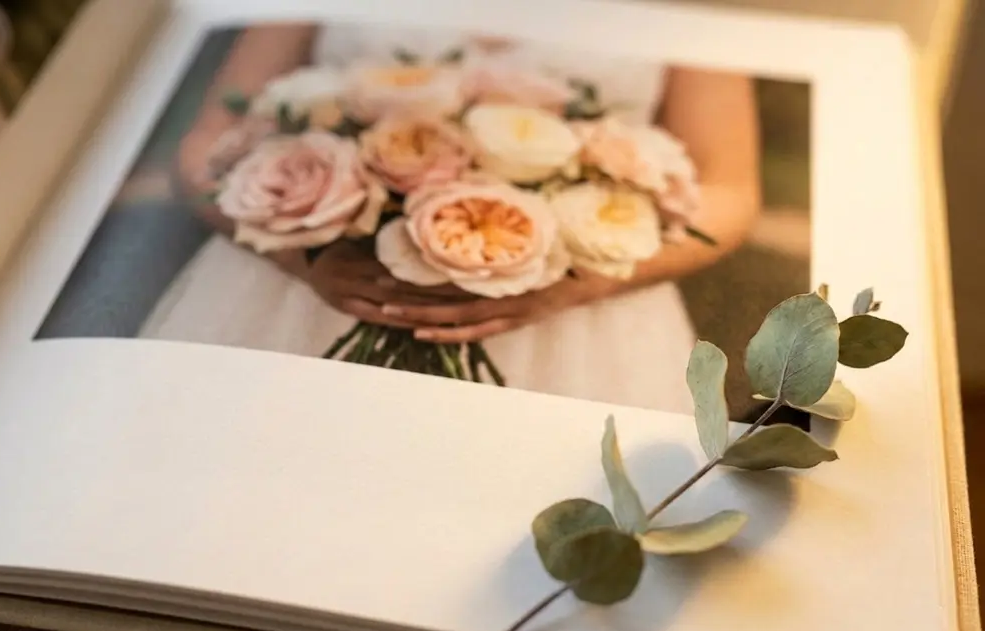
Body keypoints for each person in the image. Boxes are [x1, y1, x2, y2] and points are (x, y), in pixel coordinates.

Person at [139, 23, 761, 415]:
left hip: (573, 322)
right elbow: (206, 146)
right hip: (300, 297)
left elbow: (727, 188)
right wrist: (303, 258)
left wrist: (579, 279)